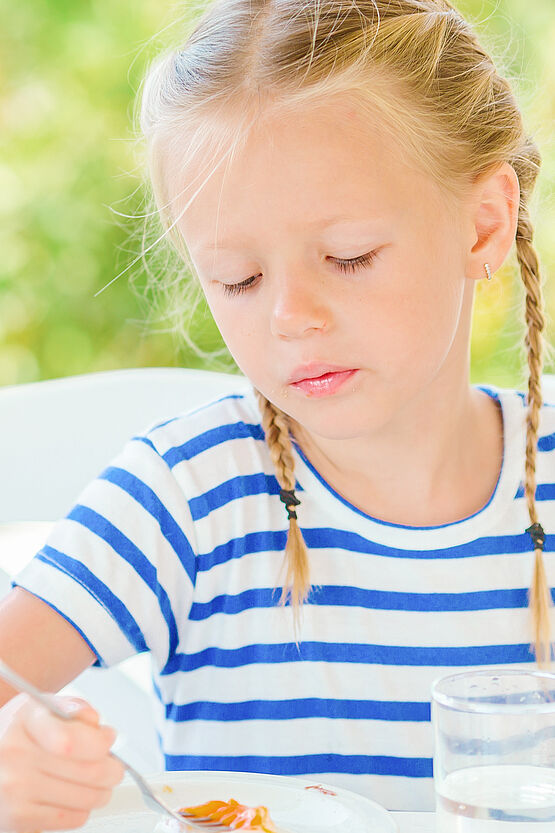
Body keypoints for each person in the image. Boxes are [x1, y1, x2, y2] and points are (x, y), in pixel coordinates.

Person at [0, 0, 553, 827]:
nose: (290, 315)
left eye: (348, 257)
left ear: (481, 224)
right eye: (237, 279)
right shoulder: (188, 492)